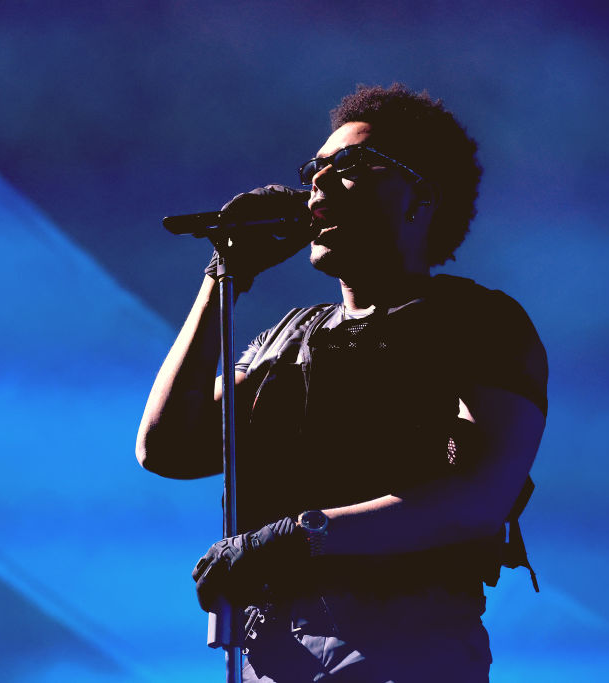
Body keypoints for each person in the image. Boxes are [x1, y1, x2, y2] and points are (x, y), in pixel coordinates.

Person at [136, 83, 547, 682]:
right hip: (270, 657)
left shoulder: (477, 321)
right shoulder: (287, 336)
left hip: (406, 647)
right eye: (314, 170)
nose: (318, 184)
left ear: (420, 196)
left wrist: (300, 537)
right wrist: (223, 276)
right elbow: (167, 446)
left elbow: (480, 497)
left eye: (351, 165)